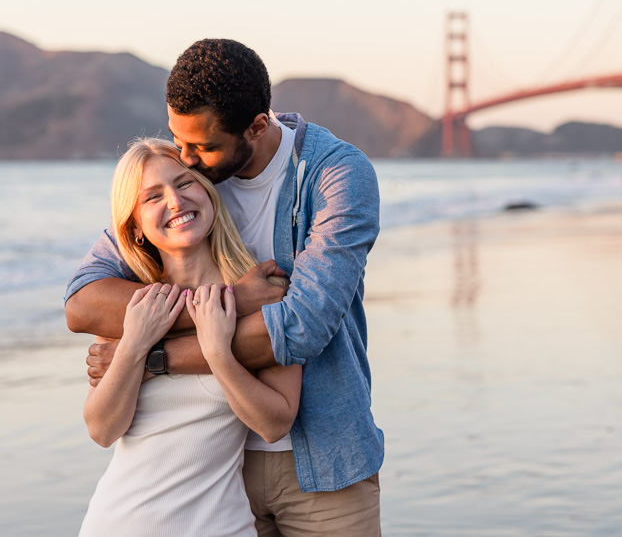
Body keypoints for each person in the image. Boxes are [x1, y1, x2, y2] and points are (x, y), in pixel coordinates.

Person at [65, 39, 383, 536]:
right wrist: (229, 303)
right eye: (178, 140)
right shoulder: (184, 177)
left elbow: (298, 329)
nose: (186, 160)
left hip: (322, 463)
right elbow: (84, 301)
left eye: (202, 148)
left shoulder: (334, 177)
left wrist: (151, 357)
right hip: (218, 481)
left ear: (257, 125)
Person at [80, 138, 301, 536]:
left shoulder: (262, 292)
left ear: (208, 190)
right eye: (152, 197)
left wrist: (219, 354)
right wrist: (133, 345)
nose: (176, 202)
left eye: (184, 183)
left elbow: (274, 424)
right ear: (135, 226)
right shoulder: (132, 308)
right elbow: (101, 430)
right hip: (120, 523)